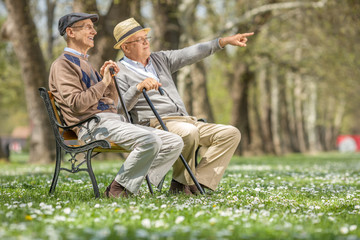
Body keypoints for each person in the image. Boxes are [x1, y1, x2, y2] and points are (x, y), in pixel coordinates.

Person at [48, 13, 184, 198]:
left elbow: (111, 104)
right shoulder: (63, 65)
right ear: (70, 32)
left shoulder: (86, 64)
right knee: (150, 140)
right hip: (91, 127)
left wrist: (110, 82)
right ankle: (117, 190)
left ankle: (136, 186)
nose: (93, 31)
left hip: (111, 122)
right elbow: (77, 105)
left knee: (174, 141)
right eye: (87, 27)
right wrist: (103, 83)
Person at [113, 18, 253, 195]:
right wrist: (137, 88)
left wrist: (223, 41)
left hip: (186, 120)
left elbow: (191, 53)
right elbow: (118, 108)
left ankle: (198, 183)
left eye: (146, 38)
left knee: (230, 134)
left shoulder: (160, 59)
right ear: (126, 47)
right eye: (140, 40)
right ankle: (181, 184)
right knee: (188, 131)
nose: (146, 42)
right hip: (155, 124)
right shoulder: (118, 71)